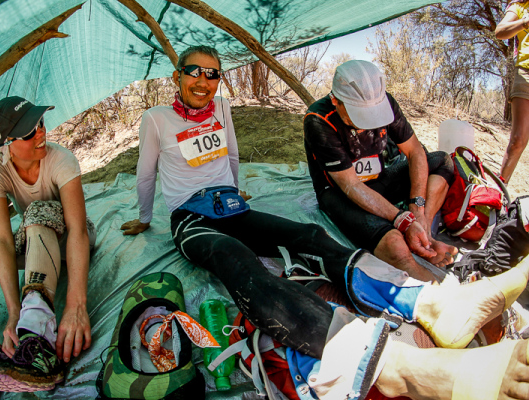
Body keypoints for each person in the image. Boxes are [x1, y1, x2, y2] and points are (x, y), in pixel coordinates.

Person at [121, 45, 529, 399]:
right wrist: (144, 218)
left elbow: (230, 154)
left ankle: (431, 303)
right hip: (191, 215)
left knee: (309, 235)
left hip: (231, 206)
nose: (204, 81)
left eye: (213, 74)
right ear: (177, 76)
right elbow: (145, 173)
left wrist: (234, 190)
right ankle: (393, 366)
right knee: (237, 260)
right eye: (194, 71)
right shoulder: (156, 118)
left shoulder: (222, 108)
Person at [0, 96, 96, 398]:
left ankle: (38, 339)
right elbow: (2, 240)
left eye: (40, 123)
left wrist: (76, 305)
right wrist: (13, 312)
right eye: (29, 131)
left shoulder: (60, 159)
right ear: (6, 145)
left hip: (69, 237)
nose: (41, 132)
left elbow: (78, 230)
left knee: (38, 210)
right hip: (33, 243)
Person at [303, 60, 458, 282]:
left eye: (373, 115)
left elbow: (415, 151)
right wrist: (401, 219)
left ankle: (425, 236)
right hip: (341, 194)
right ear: (336, 101)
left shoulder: (385, 102)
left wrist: (417, 209)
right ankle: (430, 287)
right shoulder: (318, 120)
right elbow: (351, 185)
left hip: (379, 181)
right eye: (358, 115)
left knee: (442, 160)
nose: (367, 124)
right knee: (394, 245)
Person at [496, 0, 529, 184]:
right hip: (526, 72)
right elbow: (500, 31)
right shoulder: (519, 7)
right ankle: (499, 190)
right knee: (517, 140)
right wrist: (524, 22)